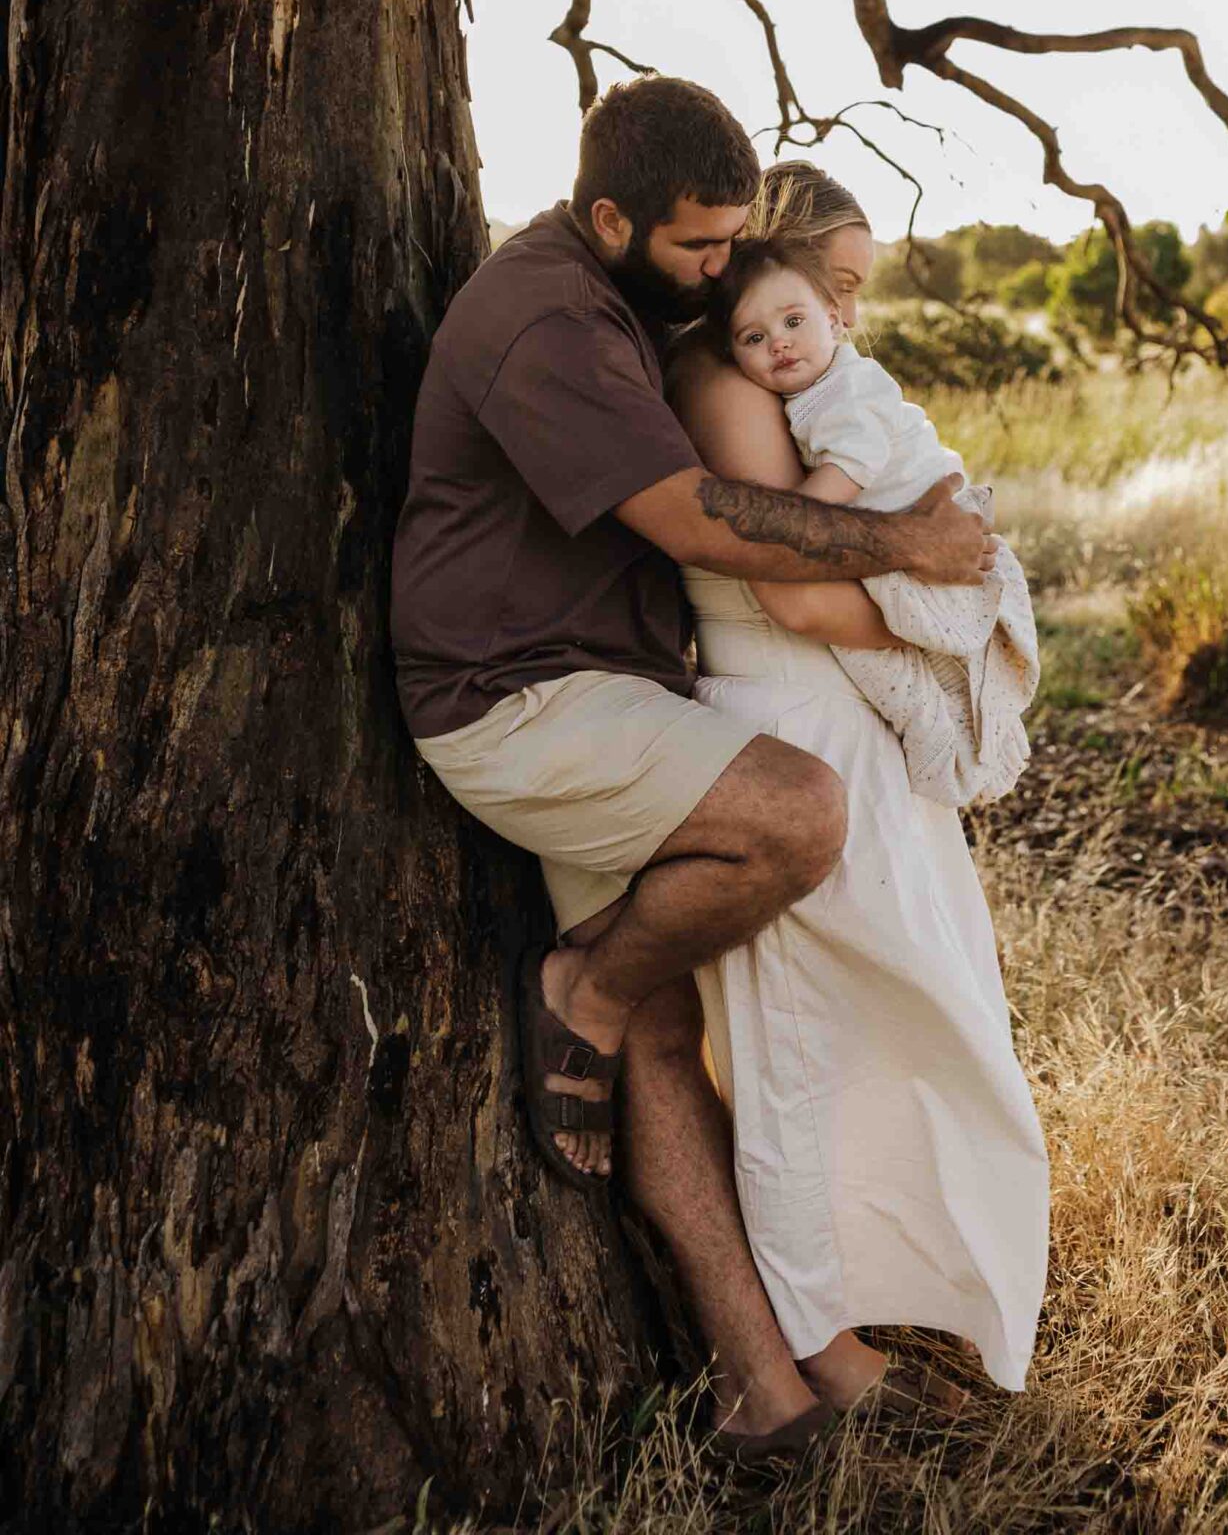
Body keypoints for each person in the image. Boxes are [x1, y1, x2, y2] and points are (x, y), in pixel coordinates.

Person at [389, 83, 994, 1460]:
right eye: (699, 249)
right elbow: (698, 521)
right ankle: (576, 986)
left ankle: (765, 1388)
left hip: (599, 691)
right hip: (516, 700)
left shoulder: (622, 305)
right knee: (797, 814)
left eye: (734, 247)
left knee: (663, 1036)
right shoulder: (547, 320)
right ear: (609, 217)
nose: (724, 272)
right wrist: (906, 544)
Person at [669, 163, 1050, 1417]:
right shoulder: (731, 383)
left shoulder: (804, 377)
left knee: (899, 1013)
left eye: (851, 298)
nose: (842, 314)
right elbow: (783, 578)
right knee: (797, 1039)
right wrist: (936, 627)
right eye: (831, 283)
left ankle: (883, 1286)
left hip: (828, 715)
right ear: (773, 261)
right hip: (786, 717)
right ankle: (818, 1340)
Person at [706, 232, 1037, 804]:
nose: (779, 345)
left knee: (929, 672)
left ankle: (956, 741)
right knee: (908, 684)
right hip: (893, 535)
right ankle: (942, 737)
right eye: (754, 337)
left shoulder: (849, 386)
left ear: (832, 321)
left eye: (793, 323)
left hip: (916, 517)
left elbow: (850, 468)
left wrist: (793, 520)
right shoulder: (790, 392)